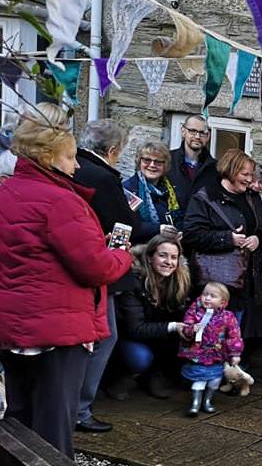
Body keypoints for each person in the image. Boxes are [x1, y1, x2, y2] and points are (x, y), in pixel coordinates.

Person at [0, 103, 133, 456]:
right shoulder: (62, 202)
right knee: (54, 428)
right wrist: (122, 255)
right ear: (50, 156)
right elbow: (96, 268)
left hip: (12, 325)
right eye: (72, 157)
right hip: (57, 329)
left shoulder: (5, 192)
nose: (76, 166)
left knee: (17, 420)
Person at [71, 118, 137, 434]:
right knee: (103, 338)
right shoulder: (103, 177)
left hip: (73, 267)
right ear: (112, 150)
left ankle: (71, 407)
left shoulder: (74, 168)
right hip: (98, 269)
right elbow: (123, 224)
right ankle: (80, 410)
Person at [183, 148, 262, 341]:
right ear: (230, 171)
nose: (249, 180)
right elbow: (191, 235)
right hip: (216, 283)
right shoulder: (205, 197)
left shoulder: (252, 198)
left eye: (251, 174)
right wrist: (228, 239)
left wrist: (258, 238)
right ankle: (207, 372)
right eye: (244, 174)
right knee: (210, 340)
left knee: (234, 338)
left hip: (246, 281)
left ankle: (231, 367)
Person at [114, 235, 191, 400]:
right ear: (149, 257)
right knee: (140, 358)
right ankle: (119, 375)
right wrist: (173, 327)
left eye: (173, 257)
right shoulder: (133, 282)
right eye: (162, 255)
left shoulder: (180, 281)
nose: (168, 262)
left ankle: (156, 375)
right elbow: (134, 329)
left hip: (160, 336)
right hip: (130, 338)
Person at [178, 282, 243, 416]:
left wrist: (235, 353)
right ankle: (195, 404)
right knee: (199, 380)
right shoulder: (194, 312)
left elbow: (234, 335)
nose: (207, 298)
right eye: (205, 294)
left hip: (217, 355)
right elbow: (186, 326)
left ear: (222, 302)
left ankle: (207, 401)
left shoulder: (228, 317)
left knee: (214, 381)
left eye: (212, 296)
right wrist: (190, 329)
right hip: (198, 353)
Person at [123, 140, 183, 242]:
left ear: (165, 165)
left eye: (158, 162)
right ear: (139, 162)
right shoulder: (128, 189)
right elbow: (127, 224)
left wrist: (180, 231)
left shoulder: (171, 190)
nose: (152, 165)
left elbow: (178, 217)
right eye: (147, 160)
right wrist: (158, 229)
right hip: (139, 251)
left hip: (165, 250)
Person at [167, 114, 218, 210]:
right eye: (193, 131)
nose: (197, 136)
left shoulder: (215, 168)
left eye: (202, 133)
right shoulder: (168, 161)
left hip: (201, 223)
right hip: (172, 222)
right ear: (183, 131)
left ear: (208, 136)